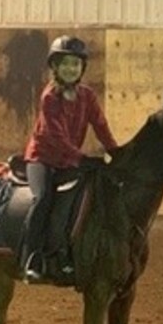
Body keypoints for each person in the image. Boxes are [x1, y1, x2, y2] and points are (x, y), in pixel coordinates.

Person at [19, 35, 118, 282]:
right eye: (65, 64)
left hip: (69, 161)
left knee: (78, 200)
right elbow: (56, 137)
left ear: (82, 68)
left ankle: (65, 254)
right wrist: (83, 158)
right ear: (55, 67)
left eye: (75, 64)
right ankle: (30, 257)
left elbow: (101, 125)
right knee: (42, 199)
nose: (71, 69)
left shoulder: (87, 96)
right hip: (42, 158)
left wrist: (115, 152)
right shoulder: (50, 97)